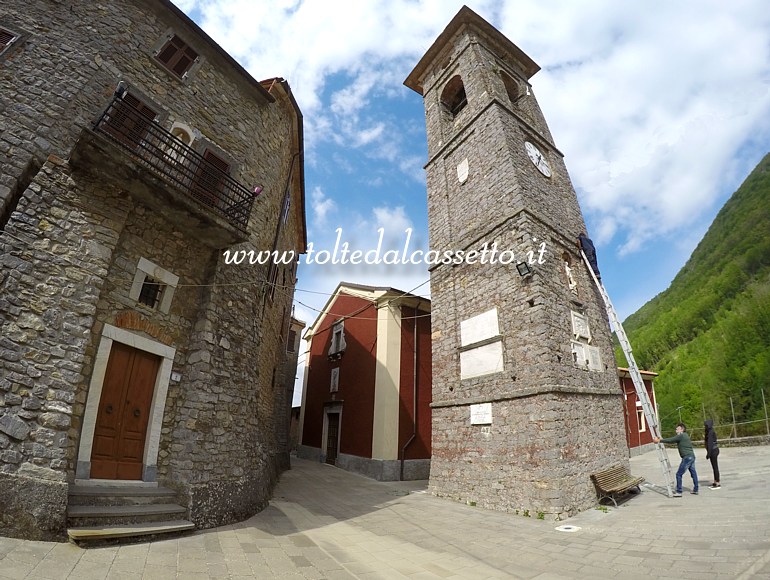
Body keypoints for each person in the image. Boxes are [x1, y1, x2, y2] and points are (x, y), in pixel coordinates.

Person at [653, 422, 699, 497]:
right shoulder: (685, 435)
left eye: (677, 429)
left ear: (682, 429)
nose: (676, 430)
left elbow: (671, 440)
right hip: (691, 456)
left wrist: (659, 440)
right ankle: (696, 489)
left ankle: (679, 491)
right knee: (693, 473)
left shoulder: (681, 436)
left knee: (679, 474)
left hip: (687, 457)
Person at [704, 419, 720, 488]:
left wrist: (708, 454)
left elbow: (710, 443)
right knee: (714, 467)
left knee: (715, 467)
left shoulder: (710, 432)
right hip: (714, 450)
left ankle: (717, 482)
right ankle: (715, 481)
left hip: (713, 450)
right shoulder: (710, 431)